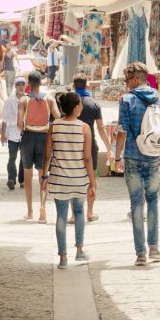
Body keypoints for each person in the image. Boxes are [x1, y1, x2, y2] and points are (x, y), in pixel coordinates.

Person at [113, 61, 160, 266]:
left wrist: (117, 157)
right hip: (153, 157)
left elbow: (122, 132)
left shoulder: (127, 100)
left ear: (134, 79)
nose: (126, 84)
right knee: (153, 201)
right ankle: (155, 249)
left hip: (133, 156)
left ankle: (140, 254)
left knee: (136, 204)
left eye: (126, 80)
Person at [42, 92, 96, 269]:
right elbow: (87, 158)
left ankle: (63, 257)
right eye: (79, 104)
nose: (81, 106)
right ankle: (80, 251)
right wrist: (92, 182)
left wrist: (44, 176)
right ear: (75, 107)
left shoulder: (54, 126)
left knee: (61, 216)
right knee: (79, 211)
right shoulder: (84, 127)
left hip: (58, 178)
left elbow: (47, 155)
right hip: (79, 178)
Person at [17, 71, 58, 222]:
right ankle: (43, 208)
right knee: (43, 175)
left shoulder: (23, 100)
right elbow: (58, 117)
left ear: (29, 84)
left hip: (28, 137)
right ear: (41, 82)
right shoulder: (49, 99)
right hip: (44, 138)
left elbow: (19, 124)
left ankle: (29, 211)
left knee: (27, 176)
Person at [72, 73, 110, 222]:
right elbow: (101, 128)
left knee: (73, 179)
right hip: (90, 146)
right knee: (91, 178)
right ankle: (89, 212)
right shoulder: (94, 104)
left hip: (72, 146)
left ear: (74, 85)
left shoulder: (69, 102)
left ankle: (74, 214)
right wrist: (108, 148)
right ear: (87, 85)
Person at [0, 76, 27, 190]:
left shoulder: (28, 99)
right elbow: (4, 119)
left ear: (25, 86)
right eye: (18, 84)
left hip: (25, 133)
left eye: (22, 84)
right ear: (15, 86)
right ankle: (11, 178)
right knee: (12, 157)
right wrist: (2, 135)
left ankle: (22, 180)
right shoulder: (10, 100)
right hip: (12, 133)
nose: (20, 86)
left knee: (24, 158)